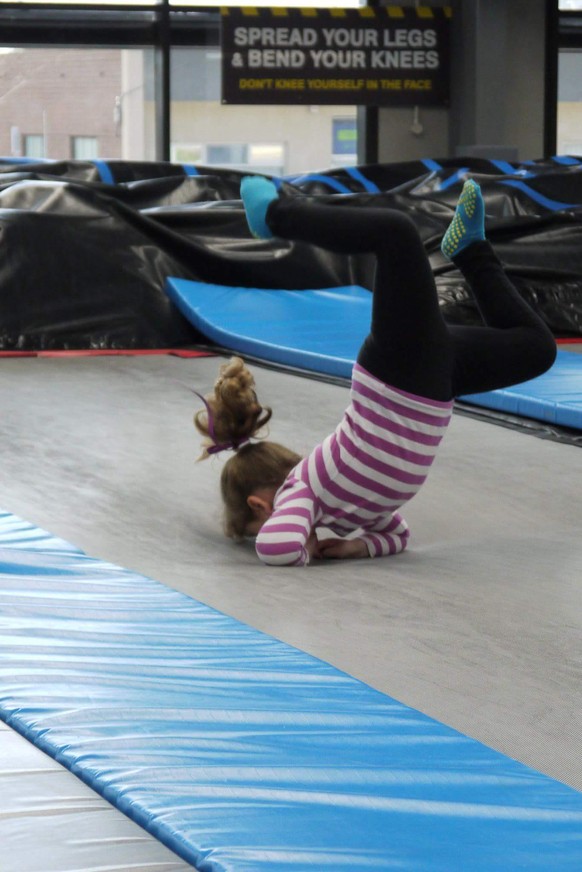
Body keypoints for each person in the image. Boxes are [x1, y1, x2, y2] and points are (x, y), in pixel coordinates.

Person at [194, 177, 556, 566]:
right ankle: (470, 251)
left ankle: (273, 216)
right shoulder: (350, 510)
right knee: (537, 349)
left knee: (395, 233)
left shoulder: (302, 490)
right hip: (435, 383)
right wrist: (358, 546)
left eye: (255, 528)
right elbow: (399, 534)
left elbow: (276, 548)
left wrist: (307, 549)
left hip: (397, 374)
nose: (267, 532)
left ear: (261, 505)